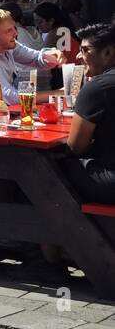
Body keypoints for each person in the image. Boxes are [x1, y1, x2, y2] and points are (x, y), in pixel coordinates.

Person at [0, 8, 63, 105]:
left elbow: (35, 58)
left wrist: (52, 56)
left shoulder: (5, 44)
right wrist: (56, 93)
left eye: (14, 28)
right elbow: (10, 99)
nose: (16, 33)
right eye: (9, 31)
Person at [66, 23, 115, 204]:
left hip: (109, 182)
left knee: (49, 166)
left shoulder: (98, 87)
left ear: (108, 53)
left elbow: (75, 147)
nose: (79, 56)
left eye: (85, 50)